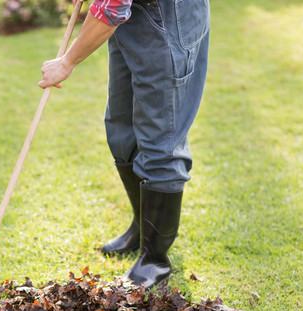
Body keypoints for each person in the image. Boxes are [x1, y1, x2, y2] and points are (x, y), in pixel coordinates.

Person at [38, 0, 210, 288]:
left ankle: (154, 260)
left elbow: (112, 8)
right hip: (135, 17)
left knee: (161, 141)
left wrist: (67, 62)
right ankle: (142, 228)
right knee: (122, 129)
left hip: (169, 18)